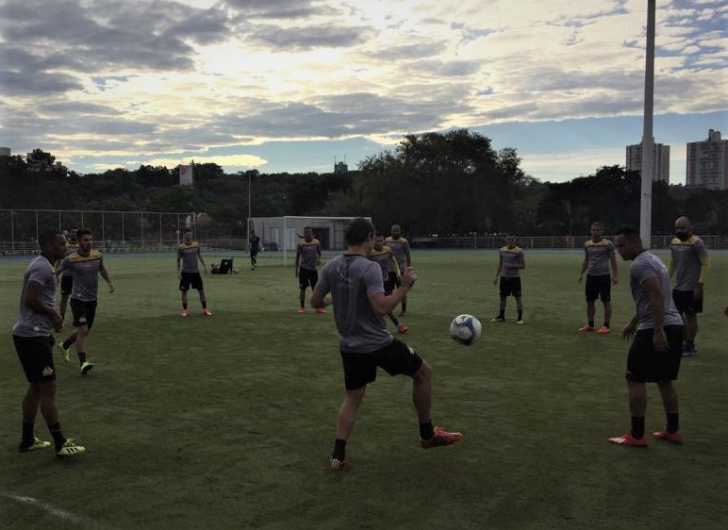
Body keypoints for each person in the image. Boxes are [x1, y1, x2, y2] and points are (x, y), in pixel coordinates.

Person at [311, 217, 462, 471]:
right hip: (377, 343)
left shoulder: (331, 265)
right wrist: (404, 288)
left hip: (349, 346)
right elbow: (381, 307)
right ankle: (427, 435)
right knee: (423, 372)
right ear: (369, 237)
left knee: (353, 397)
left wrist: (336, 298)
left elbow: (315, 301)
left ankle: (338, 455)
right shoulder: (369, 268)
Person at [608, 225, 684, 447]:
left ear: (635, 243)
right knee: (664, 380)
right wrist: (633, 322)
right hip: (674, 324)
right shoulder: (653, 259)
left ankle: (637, 435)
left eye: (621, 245)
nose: (618, 250)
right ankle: (673, 430)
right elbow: (650, 298)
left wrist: (658, 329)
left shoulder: (640, 265)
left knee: (635, 379)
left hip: (657, 327)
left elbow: (656, 294)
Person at [13, 229, 85, 457]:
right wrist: (53, 315)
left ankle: (27, 439)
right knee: (48, 388)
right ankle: (60, 442)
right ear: (47, 246)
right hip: (33, 336)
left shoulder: (45, 265)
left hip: (31, 334)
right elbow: (31, 298)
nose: (66, 247)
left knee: (36, 387)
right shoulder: (42, 267)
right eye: (61, 244)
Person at [55, 229, 115, 374]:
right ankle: (83, 362)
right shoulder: (71, 259)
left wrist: (110, 282)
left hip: (92, 300)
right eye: (85, 240)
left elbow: (102, 269)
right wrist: (53, 278)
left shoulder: (97, 255)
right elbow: (57, 271)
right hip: (78, 300)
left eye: (90, 240)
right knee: (83, 330)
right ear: (79, 241)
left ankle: (65, 345)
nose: (89, 242)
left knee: (85, 330)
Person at [669, 216, 709, 357]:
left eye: (682, 228)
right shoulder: (674, 242)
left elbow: (705, 264)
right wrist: (666, 279)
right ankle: (685, 341)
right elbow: (673, 262)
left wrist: (700, 285)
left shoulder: (697, 243)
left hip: (692, 288)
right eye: (677, 228)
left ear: (689, 228)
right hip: (678, 288)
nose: (679, 230)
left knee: (691, 316)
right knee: (677, 316)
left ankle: (690, 345)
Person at [577, 222, 618, 334]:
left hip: (604, 276)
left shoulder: (608, 244)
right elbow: (586, 260)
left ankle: (606, 325)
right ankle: (590, 324)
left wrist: (615, 275)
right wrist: (581, 273)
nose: (595, 232)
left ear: (602, 231)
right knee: (590, 301)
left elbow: (613, 259)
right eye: (593, 230)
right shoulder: (587, 245)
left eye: (598, 230)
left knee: (606, 301)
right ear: (590, 231)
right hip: (591, 276)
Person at [369, 233, 408, 334]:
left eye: (381, 241)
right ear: (373, 242)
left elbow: (393, 259)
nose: (379, 243)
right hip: (372, 282)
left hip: (384, 280)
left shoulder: (387, 250)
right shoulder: (369, 253)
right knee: (378, 306)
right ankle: (395, 325)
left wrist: (398, 272)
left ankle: (396, 325)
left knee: (383, 305)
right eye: (377, 241)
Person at [491, 234, 526, 324]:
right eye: (509, 239)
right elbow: (500, 263)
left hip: (514, 278)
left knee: (518, 297)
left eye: (512, 239)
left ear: (515, 240)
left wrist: (511, 266)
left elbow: (523, 266)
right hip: (504, 277)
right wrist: (496, 276)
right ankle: (501, 316)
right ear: (506, 240)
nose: (510, 241)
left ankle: (519, 318)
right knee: (502, 297)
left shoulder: (519, 251)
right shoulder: (502, 250)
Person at [177, 228, 211, 317]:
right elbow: (178, 260)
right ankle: (185, 310)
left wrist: (205, 267)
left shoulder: (196, 245)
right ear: (184, 236)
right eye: (187, 235)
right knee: (184, 292)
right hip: (185, 273)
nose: (189, 236)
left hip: (195, 272)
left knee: (201, 291)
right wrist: (178, 272)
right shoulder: (181, 247)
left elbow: (200, 256)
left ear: (192, 235)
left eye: (190, 234)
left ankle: (205, 309)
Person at [295, 226, 324, 314]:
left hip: (313, 270)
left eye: (309, 232)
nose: (307, 234)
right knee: (302, 288)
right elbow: (297, 257)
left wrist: (319, 259)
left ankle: (318, 307)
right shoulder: (300, 244)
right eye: (306, 232)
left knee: (315, 289)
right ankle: (302, 307)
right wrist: (296, 270)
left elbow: (319, 254)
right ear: (304, 234)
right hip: (303, 269)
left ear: (312, 233)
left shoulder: (317, 243)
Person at [385, 224, 411, 316]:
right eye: (393, 231)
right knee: (388, 290)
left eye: (397, 231)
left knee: (402, 290)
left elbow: (407, 254)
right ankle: (388, 309)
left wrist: (408, 267)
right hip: (390, 269)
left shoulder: (404, 242)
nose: (395, 232)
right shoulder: (387, 241)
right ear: (391, 231)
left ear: (400, 232)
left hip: (401, 270)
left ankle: (403, 309)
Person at [57, 226, 79, 321]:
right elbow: (59, 259)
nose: (74, 234)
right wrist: (55, 273)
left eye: (76, 232)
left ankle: (78, 317)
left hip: (78, 276)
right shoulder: (65, 245)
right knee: (64, 298)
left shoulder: (80, 245)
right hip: (67, 276)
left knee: (78, 298)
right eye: (73, 232)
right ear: (70, 233)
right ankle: (61, 318)